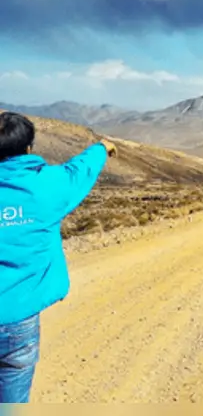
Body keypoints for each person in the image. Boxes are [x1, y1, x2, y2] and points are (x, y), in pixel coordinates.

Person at [0, 111, 118, 403]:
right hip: (17, 321)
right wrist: (102, 147)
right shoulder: (49, 186)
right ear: (29, 148)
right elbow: (81, 169)